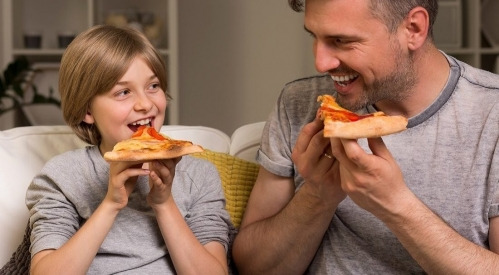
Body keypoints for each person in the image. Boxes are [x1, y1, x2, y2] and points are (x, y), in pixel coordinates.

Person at [232, 0, 499, 274]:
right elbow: (253, 268)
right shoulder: (299, 103)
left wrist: (396, 206)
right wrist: (318, 195)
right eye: (315, 37)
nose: (321, 62)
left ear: (414, 29)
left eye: (342, 41)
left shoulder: (492, 114)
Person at [26, 25, 232, 274]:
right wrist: (111, 204)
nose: (146, 104)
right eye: (123, 92)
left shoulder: (200, 176)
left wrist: (164, 203)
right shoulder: (62, 176)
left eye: (153, 86)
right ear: (87, 111)